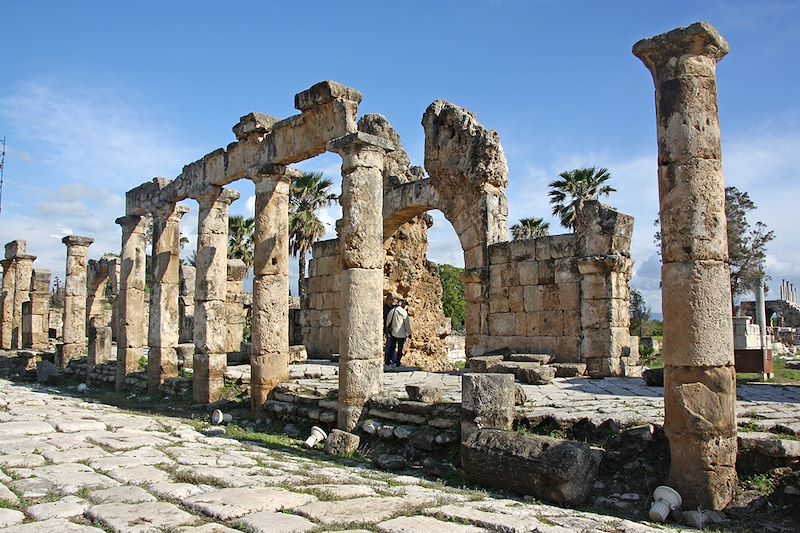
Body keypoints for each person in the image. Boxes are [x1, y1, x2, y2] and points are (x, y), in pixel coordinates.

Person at [385, 299, 411, 367]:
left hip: (393, 332)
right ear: (403, 304)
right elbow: (407, 324)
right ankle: (398, 362)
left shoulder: (392, 311)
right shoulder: (403, 312)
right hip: (401, 333)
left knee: (392, 347)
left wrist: (388, 329)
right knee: (400, 349)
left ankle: (387, 361)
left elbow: (388, 321)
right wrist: (409, 333)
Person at [383, 294, 396, 365]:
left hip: (393, 329)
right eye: (391, 299)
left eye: (393, 300)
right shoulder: (385, 308)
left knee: (392, 343)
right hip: (388, 329)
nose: (392, 301)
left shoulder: (392, 307)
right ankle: (388, 359)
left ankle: (393, 359)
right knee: (389, 343)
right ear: (387, 300)